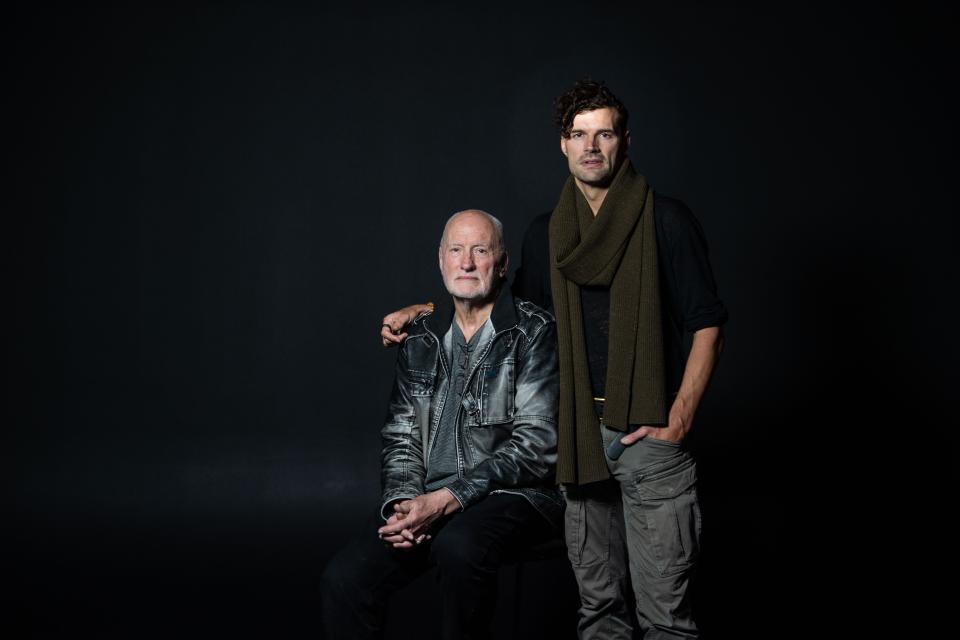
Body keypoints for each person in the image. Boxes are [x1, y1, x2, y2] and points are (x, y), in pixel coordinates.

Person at [381, 79, 727, 639]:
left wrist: (681, 415)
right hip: (574, 442)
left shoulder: (667, 220)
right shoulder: (547, 235)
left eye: (604, 134)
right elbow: (500, 306)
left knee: (666, 616)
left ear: (625, 143)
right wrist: (422, 309)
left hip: (647, 435)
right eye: (578, 134)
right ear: (562, 146)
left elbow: (706, 322)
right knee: (599, 611)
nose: (591, 146)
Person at [322, 209, 562, 640]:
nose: (466, 263)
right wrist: (405, 502)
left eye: (480, 250)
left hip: (517, 495)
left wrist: (447, 499)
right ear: (441, 260)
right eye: (456, 250)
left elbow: (536, 448)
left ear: (502, 263)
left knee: (458, 547)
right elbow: (401, 435)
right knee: (345, 578)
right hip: (432, 499)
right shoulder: (420, 337)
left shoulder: (534, 332)